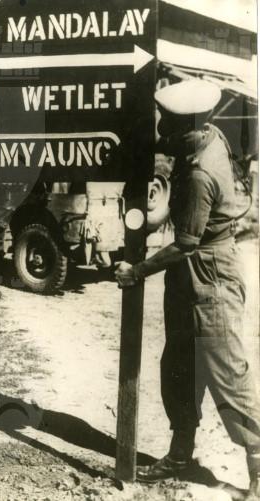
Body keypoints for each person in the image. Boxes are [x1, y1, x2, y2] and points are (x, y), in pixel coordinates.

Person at [115, 79, 260, 499]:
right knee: (178, 367)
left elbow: (186, 243)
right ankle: (180, 455)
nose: (163, 132)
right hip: (189, 276)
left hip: (210, 277)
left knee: (226, 374)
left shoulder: (199, 171)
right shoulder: (206, 138)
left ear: (190, 126)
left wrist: (137, 271)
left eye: (170, 125)